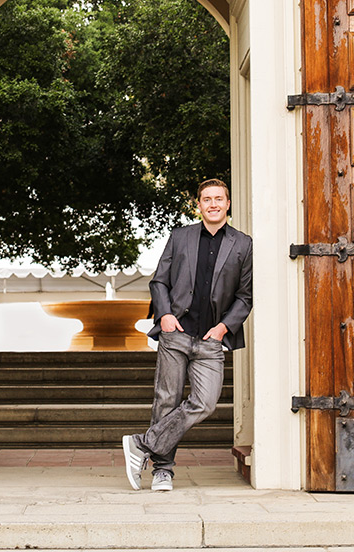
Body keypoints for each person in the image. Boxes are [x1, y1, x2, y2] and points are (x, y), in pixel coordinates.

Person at [122, 178, 253, 491]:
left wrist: (223, 329)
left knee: (205, 402)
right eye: (206, 199)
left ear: (228, 204)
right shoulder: (180, 237)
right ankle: (162, 471)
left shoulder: (243, 244)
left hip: (211, 338)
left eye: (219, 199)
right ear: (199, 205)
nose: (213, 204)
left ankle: (142, 443)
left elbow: (245, 296)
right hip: (176, 332)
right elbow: (159, 281)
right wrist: (165, 314)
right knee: (166, 399)